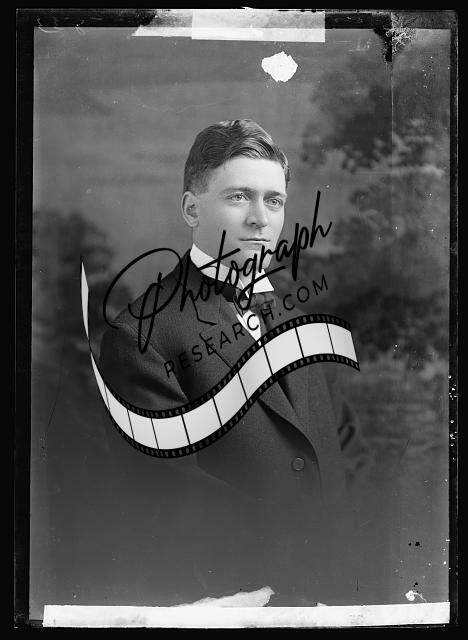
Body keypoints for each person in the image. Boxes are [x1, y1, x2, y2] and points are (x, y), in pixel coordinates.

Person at [98, 119, 370, 607]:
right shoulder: (141, 336)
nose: (260, 219)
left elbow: (342, 448)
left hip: (335, 591)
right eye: (239, 197)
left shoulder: (301, 314)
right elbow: (172, 494)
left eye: (274, 201)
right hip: (234, 601)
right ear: (191, 208)